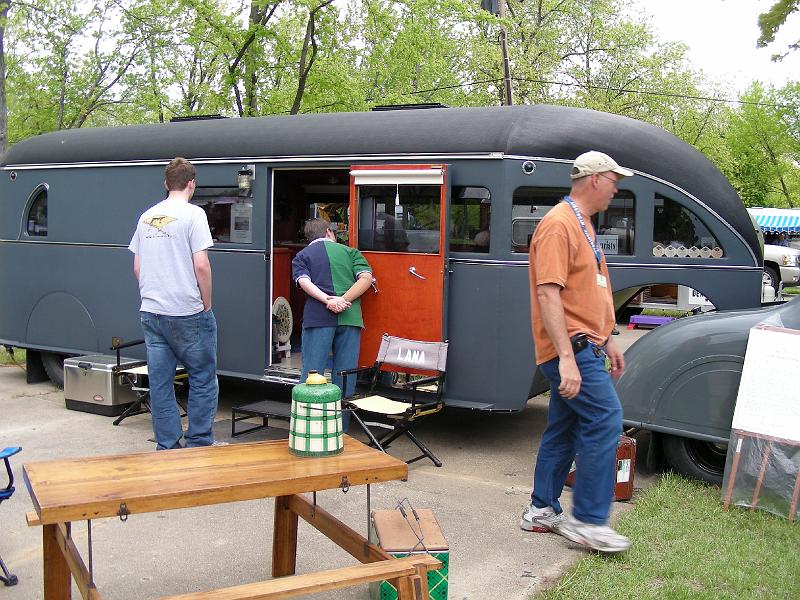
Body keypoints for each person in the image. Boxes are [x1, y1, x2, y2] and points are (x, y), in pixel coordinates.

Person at [519, 150, 633, 554]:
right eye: (614, 179)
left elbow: (590, 291)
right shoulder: (558, 224)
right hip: (570, 348)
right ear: (595, 179)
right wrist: (567, 357)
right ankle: (588, 521)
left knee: (565, 428)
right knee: (606, 419)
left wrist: (609, 336)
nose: (617, 187)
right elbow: (548, 292)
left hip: (586, 343)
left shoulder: (582, 224)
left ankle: (541, 510)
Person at [129, 157, 220, 450]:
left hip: (152, 312)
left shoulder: (146, 216)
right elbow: (202, 265)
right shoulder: (194, 215)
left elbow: (137, 268)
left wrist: (151, 294)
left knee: (160, 382)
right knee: (203, 378)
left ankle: (167, 446)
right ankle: (198, 443)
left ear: (166, 184)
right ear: (192, 183)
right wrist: (206, 304)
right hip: (187, 312)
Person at [292, 218, 373, 430]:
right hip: (351, 317)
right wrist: (343, 300)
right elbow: (365, 279)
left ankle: (307, 428)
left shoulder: (302, 256)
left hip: (318, 318)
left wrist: (329, 300)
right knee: (345, 375)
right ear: (329, 232)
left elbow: (304, 282)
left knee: (312, 373)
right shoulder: (351, 252)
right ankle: (341, 430)